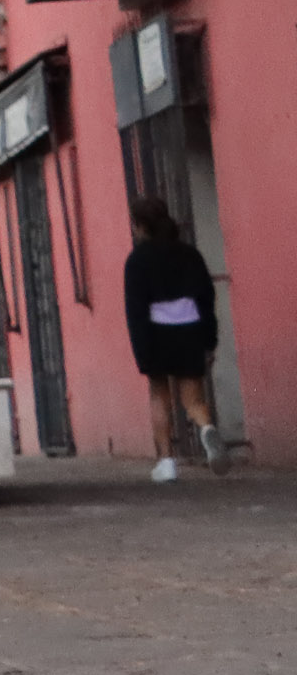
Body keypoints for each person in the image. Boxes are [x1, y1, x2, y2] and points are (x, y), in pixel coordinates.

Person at [122, 196, 221, 483]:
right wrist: (208, 339)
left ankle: (166, 463)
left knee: (159, 396)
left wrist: (142, 349)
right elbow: (206, 297)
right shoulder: (190, 255)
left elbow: (136, 309)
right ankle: (206, 428)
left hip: (156, 333)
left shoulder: (137, 260)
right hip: (190, 330)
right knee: (193, 398)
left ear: (140, 226)